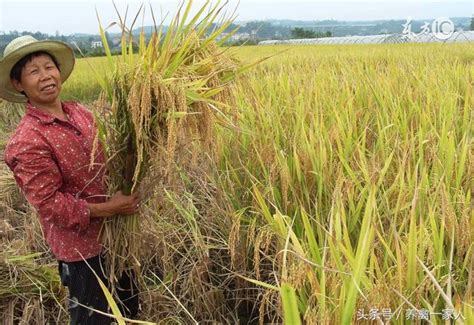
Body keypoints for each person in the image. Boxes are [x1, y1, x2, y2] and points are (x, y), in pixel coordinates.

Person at [0, 35, 140, 324]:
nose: (46, 76)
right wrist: (111, 208)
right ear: (18, 84)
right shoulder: (27, 140)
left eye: (48, 67)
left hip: (119, 239)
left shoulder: (80, 113)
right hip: (83, 253)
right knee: (96, 320)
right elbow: (51, 205)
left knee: (129, 313)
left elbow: (108, 158)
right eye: (33, 71)